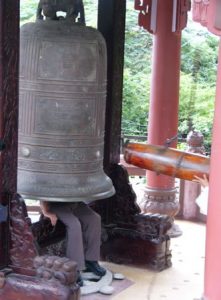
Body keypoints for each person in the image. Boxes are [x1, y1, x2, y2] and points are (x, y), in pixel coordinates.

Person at [40, 201, 106, 285]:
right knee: (74, 225)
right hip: (55, 203)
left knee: (94, 218)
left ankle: (90, 260)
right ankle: (73, 269)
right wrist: (45, 210)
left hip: (74, 201)